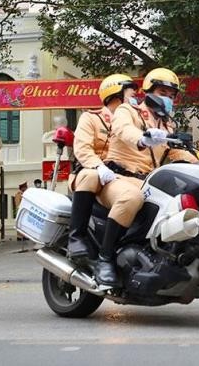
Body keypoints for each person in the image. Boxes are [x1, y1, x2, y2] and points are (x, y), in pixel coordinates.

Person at [96, 67, 197, 286]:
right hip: (117, 177)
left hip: (146, 181)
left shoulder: (167, 125)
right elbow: (123, 130)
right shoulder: (128, 111)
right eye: (163, 93)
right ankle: (104, 259)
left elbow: (176, 152)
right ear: (148, 91)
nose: (167, 99)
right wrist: (143, 138)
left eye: (171, 96)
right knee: (132, 197)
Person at [66, 73, 135, 260]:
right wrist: (99, 166)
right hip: (90, 173)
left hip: (119, 177)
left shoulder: (135, 122)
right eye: (131, 95)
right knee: (91, 176)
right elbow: (82, 149)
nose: (135, 99)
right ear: (116, 95)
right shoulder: (91, 118)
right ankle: (76, 237)